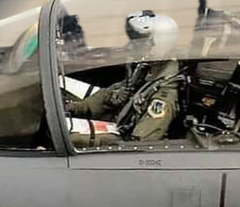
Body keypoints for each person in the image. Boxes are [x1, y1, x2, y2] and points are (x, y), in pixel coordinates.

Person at [65, 10, 182, 142]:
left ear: (159, 44)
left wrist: (91, 140)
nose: (131, 46)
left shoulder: (165, 94)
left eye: (140, 43)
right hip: (117, 124)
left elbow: (139, 143)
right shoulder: (144, 69)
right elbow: (111, 94)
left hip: (123, 142)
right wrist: (75, 108)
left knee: (66, 140)